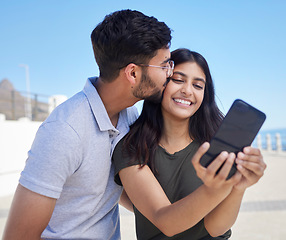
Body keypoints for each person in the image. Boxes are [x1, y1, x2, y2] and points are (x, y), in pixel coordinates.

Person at [3, 9, 173, 240]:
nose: (169, 74)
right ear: (132, 73)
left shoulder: (129, 116)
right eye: (164, 66)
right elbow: (18, 236)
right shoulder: (64, 131)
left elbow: (108, 191)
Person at [112, 48, 266, 240]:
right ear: (161, 83)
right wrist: (214, 188)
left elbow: (216, 228)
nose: (187, 91)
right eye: (178, 80)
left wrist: (238, 186)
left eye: (198, 85)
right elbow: (166, 222)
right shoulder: (131, 148)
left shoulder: (215, 146)